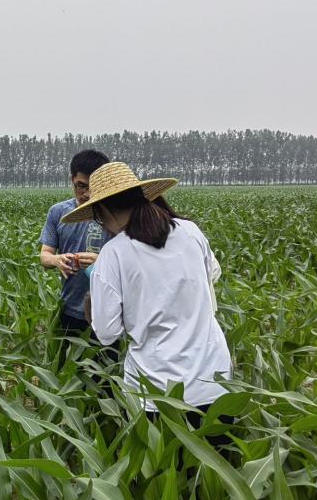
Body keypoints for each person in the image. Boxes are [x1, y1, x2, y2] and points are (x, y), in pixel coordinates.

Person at [61, 161, 230, 425]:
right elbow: (212, 276)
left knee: (162, 453)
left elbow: (107, 333)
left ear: (103, 210)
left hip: (155, 389)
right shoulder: (190, 231)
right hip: (214, 382)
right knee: (213, 451)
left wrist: (94, 303)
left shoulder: (114, 253)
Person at [39, 149, 113, 364]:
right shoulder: (58, 212)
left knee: (106, 377)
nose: (86, 194)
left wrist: (101, 262)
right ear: (72, 179)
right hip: (69, 308)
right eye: (81, 186)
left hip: (108, 313)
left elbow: (132, 261)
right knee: (67, 373)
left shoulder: (114, 214)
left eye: (92, 187)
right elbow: (45, 255)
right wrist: (57, 260)